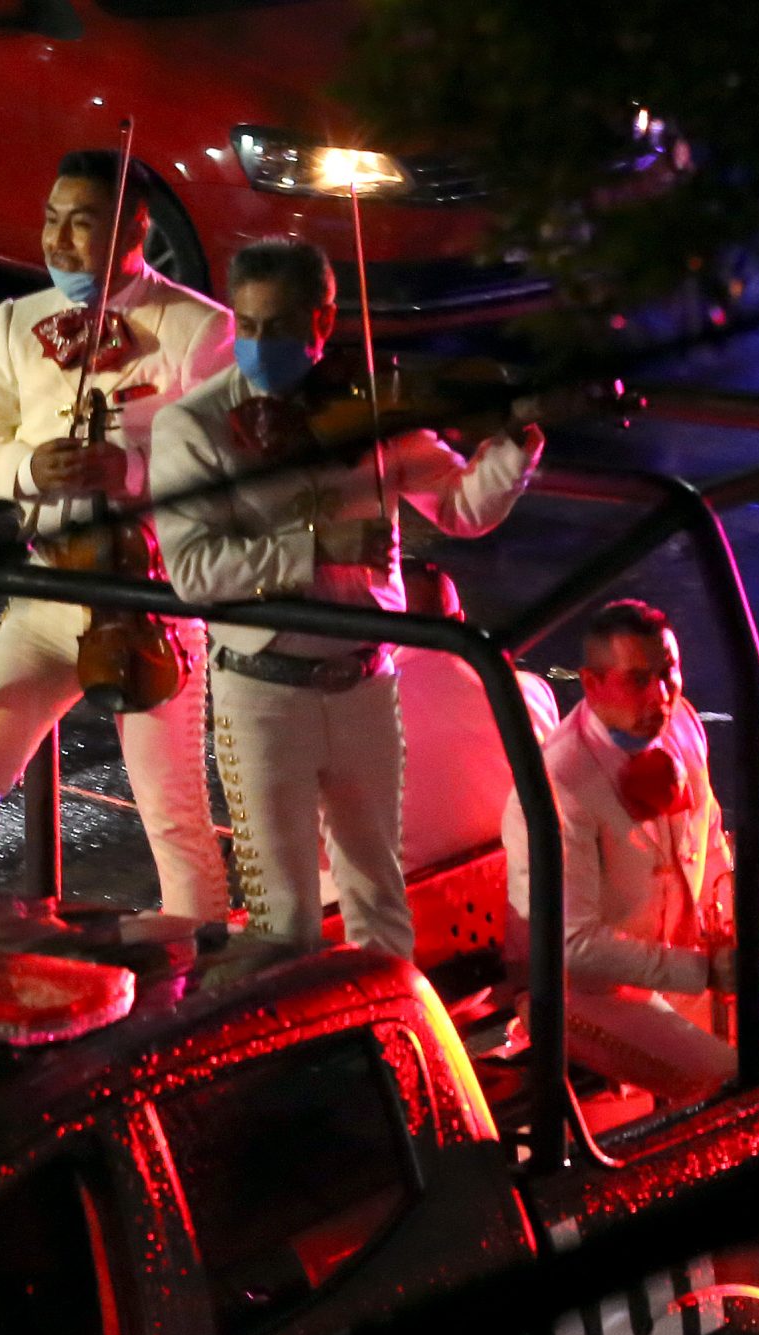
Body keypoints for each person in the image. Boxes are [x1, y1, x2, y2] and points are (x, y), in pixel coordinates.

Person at [153, 239, 542, 954]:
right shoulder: (196, 426)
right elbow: (193, 571)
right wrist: (312, 549)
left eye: (279, 327)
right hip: (263, 692)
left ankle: (386, 1050)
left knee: (379, 897)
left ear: (323, 322)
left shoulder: (369, 407)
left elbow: (462, 508)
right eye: (248, 327)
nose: (260, 345)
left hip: (367, 680)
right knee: (284, 916)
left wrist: (516, 444)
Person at [0, 150, 232, 920]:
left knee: (173, 814)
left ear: (135, 230)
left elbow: (225, 470)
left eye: (82, 224)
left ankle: (199, 955)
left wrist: (128, 469)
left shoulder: (198, 330)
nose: (59, 240)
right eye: (52, 220)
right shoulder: (17, 321)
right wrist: (28, 466)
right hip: (47, 589)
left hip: (147, 601)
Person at [498, 599, 759, 1104]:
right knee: (734, 1081)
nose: (661, 696)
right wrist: (698, 972)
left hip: (685, 968)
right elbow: (573, 945)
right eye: (638, 679)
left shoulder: (682, 723)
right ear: (591, 682)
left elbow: (709, 836)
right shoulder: (559, 787)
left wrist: (731, 930)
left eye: (669, 673)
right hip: (589, 996)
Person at [398, 566, 559, 871]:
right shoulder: (528, 694)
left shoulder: (361, 713)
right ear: (460, 621)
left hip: (419, 902)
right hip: (529, 881)